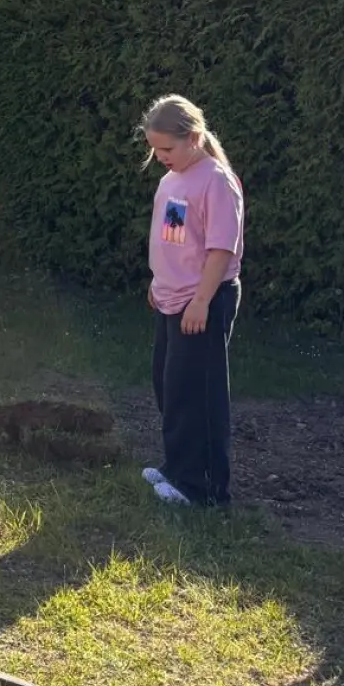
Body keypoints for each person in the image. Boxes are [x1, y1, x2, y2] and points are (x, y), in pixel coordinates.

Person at [140, 95, 244, 509]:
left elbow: (221, 248)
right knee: (169, 385)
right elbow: (172, 238)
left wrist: (201, 300)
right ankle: (176, 468)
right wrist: (158, 280)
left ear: (194, 138)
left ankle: (202, 488)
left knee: (197, 393)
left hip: (203, 300)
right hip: (171, 298)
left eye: (167, 148)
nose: (160, 156)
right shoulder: (172, 180)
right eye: (154, 149)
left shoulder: (216, 180)